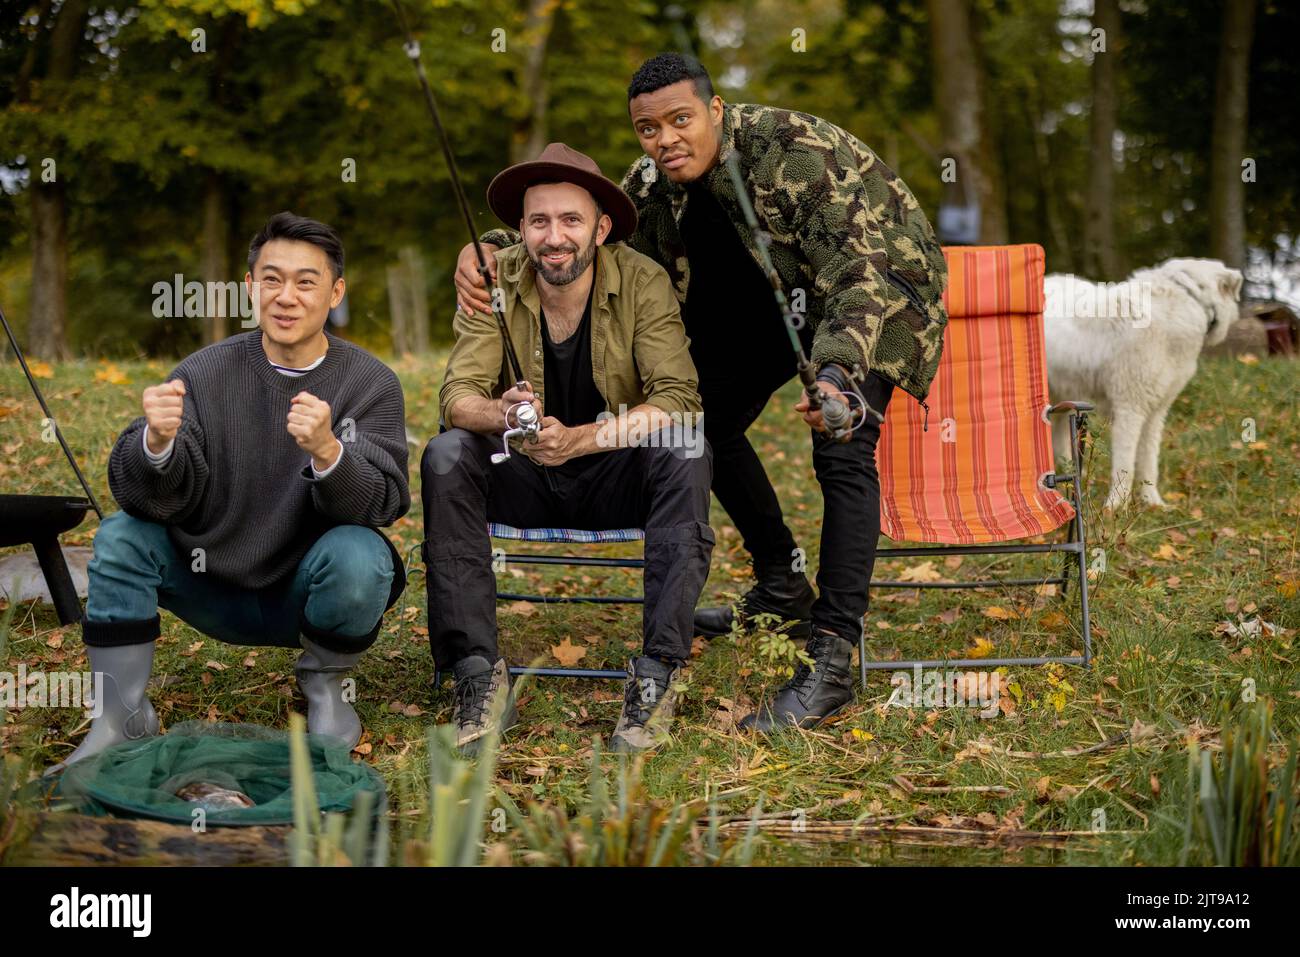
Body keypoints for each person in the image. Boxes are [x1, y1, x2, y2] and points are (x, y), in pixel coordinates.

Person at [454, 54, 948, 732]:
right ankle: (780, 580)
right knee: (697, 423)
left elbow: (858, 273)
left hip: (873, 297)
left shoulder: (795, 154)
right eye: (647, 128)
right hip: (771, 309)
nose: (665, 139)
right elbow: (580, 225)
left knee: (842, 442)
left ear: (715, 111)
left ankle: (833, 656)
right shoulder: (654, 181)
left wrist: (833, 376)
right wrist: (486, 246)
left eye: (680, 119)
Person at [50, 212, 410, 773]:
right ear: (250, 287)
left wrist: (328, 452)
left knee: (362, 555)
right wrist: (157, 442)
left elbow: (381, 503)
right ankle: (119, 717)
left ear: (335, 291)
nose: (286, 297)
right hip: (208, 580)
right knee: (122, 534)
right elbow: (150, 502)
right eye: (271, 279)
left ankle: (325, 689)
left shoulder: (369, 382)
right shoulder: (203, 372)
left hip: (304, 591)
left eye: (306, 281)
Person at [423, 142, 713, 754]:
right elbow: (456, 396)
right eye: (538, 221)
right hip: (522, 473)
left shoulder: (643, 280)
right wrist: (499, 412)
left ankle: (658, 673)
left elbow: (680, 398)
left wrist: (581, 439)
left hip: (615, 481)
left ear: (601, 227)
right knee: (446, 453)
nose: (555, 237)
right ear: (520, 231)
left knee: (687, 447)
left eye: (571, 220)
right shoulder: (493, 281)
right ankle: (476, 674)